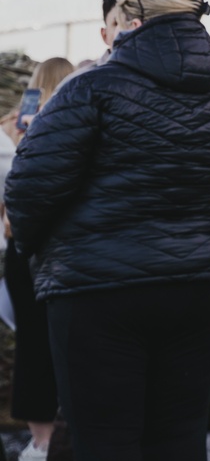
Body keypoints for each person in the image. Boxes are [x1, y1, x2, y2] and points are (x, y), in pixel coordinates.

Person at [3, 0, 210, 461]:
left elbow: (28, 190)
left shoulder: (89, 90)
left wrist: (42, 253)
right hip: (195, 290)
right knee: (180, 438)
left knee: (104, 442)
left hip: (96, 293)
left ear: (129, 20)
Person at [3, 57, 74, 461]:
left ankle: (40, 438)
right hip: (65, 248)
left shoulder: (12, 127)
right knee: (66, 341)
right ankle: (65, 430)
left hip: (20, 246)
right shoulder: (74, 120)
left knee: (30, 343)